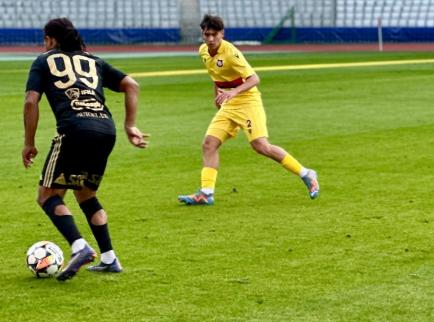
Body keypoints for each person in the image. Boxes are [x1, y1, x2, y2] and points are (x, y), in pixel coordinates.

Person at [22, 18, 149, 281]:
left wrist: (29, 142)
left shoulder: (44, 60)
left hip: (74, 130)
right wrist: (130, 125)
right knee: (85, 194)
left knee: (47, 196)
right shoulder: (94, 60)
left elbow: (30, 102)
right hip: (106, 131)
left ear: (51, 40)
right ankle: (109, 258)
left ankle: (79, 247)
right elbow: (132, 85)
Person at [178, 14, 319, 206]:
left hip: (247, 101)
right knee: (209, 144)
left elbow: (254, 79)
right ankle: (206, 192)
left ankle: (306, 173)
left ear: (222, 33)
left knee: (260, 146)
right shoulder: (203, 51)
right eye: (206, 34)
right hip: (229, 103)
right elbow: (215, 76)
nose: (210, 39)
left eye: (214, 35)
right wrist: (217, 97)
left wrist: (233, 92)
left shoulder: (231, 53)